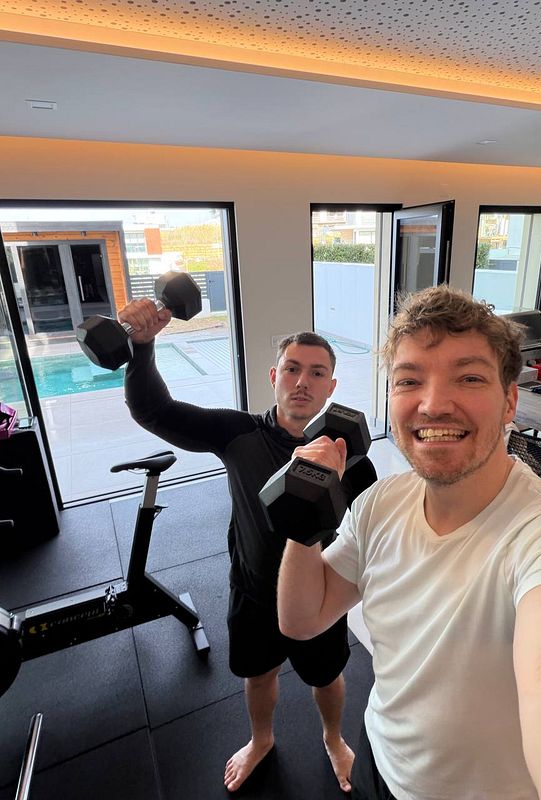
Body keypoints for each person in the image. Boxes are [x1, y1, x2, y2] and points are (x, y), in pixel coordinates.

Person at [277, 284, 541, 800]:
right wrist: (303, 522)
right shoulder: (379, 504)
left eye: (469, 377)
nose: (432, 405)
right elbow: (303, 617)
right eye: (409, 381)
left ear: (510, 400)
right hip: (377, 760)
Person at [118, 298, 377, 793]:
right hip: (254, 591)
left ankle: (332, 737)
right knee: (258, 677)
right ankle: (261, 740)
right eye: (294, 369)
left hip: (319, 598)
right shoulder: (238, 433)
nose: (303, 381)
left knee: (328, 679)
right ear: (273, 375)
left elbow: (367, 534)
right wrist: (143, 348)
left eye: (317, 373)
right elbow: (154, 410)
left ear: (332, 386)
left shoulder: (356, 460)